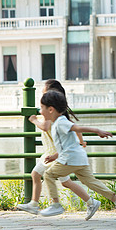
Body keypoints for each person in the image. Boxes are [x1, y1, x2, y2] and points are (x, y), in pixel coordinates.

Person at [40, 90, 116, 222]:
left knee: (48, 175)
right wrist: (54, 156)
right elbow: (69, 144)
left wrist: (97, 131)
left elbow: (78, 128)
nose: (40, 111)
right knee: (91, 182)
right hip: (79, 158)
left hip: (70, 159)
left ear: (51, 109)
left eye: (42, 108)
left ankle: (56, 204)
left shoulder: (60, 122)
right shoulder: (59, 122)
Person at [18, 79, 97, 220]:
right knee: (44, 177)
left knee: (52, 179)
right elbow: (73, 125)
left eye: (44, 93)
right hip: (51, 153)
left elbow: (45, 127)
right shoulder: (56, 111)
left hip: (56, 154)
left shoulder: (51, 111)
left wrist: (34, 120)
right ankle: (34, 204)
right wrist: (81, 140)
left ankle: (89, 202)